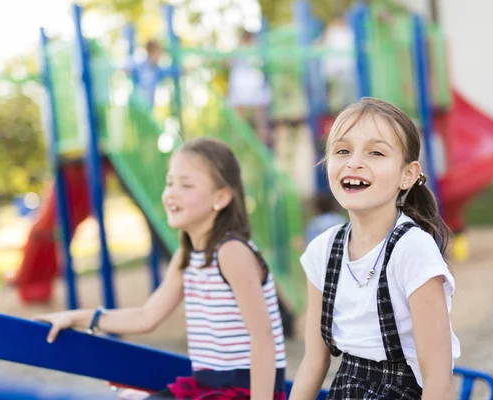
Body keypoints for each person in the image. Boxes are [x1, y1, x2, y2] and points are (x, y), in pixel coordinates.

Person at [35, 137, 287, 400]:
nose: (172, 193)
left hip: (243, 390)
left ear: (221, 197)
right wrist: (76, 318)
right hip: (206, 387)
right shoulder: (187, 256)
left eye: (186, 185)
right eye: (170, 183)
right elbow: (146, 317)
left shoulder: (231, 252)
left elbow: (263, 337)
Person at [290, 98, 460, 399]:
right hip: (348, 388)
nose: (354, 162)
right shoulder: (323, 251)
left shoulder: (412, 250)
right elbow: (314, 361)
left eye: (376, 152)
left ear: (408, 174)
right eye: (342, 150)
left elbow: (438, 377)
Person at [227, 31, 271, 145]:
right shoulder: (241, 50)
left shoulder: (254, 48)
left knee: (258, 115)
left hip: (251, 84)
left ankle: (259, 139)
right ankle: (239, 140)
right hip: (244, 84)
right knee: (244, 116)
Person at [127, 39, 179, 111]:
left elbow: (174, 71)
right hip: (137, 106)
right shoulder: (139, 66)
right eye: (158, 53)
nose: (159, 56)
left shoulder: (157, 70)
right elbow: (127, 68)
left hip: (148, 108)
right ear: (151, 52)